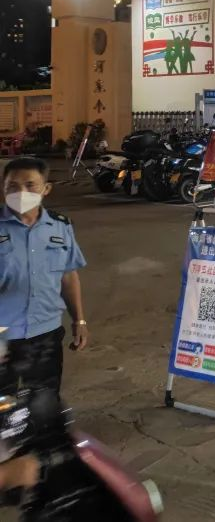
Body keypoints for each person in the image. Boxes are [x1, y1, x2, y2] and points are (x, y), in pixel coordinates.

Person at [0, 157, 89, 396]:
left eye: (30, 185)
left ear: (46, 188)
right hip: (2, 334)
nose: (21, 192)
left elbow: (68, 276)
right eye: (12, 186)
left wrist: (79, 321)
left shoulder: (61, 227)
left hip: (46, 333)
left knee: (44, 401)